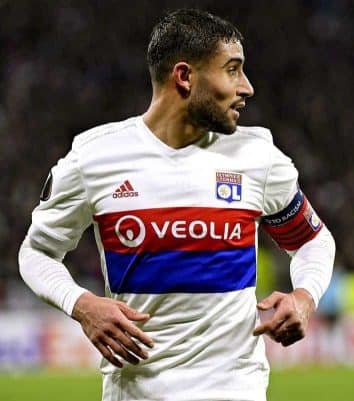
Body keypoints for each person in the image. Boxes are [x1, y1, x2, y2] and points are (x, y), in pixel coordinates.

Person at [18, 9, 335, 401]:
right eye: (232, 70)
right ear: (184, 77)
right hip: (137, 392)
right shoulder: (95, 158)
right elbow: (37, 253)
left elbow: (312, 241)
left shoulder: (258, 157)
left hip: (236, 389)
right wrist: (82, 305)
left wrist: (303, 296)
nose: (247, 87)